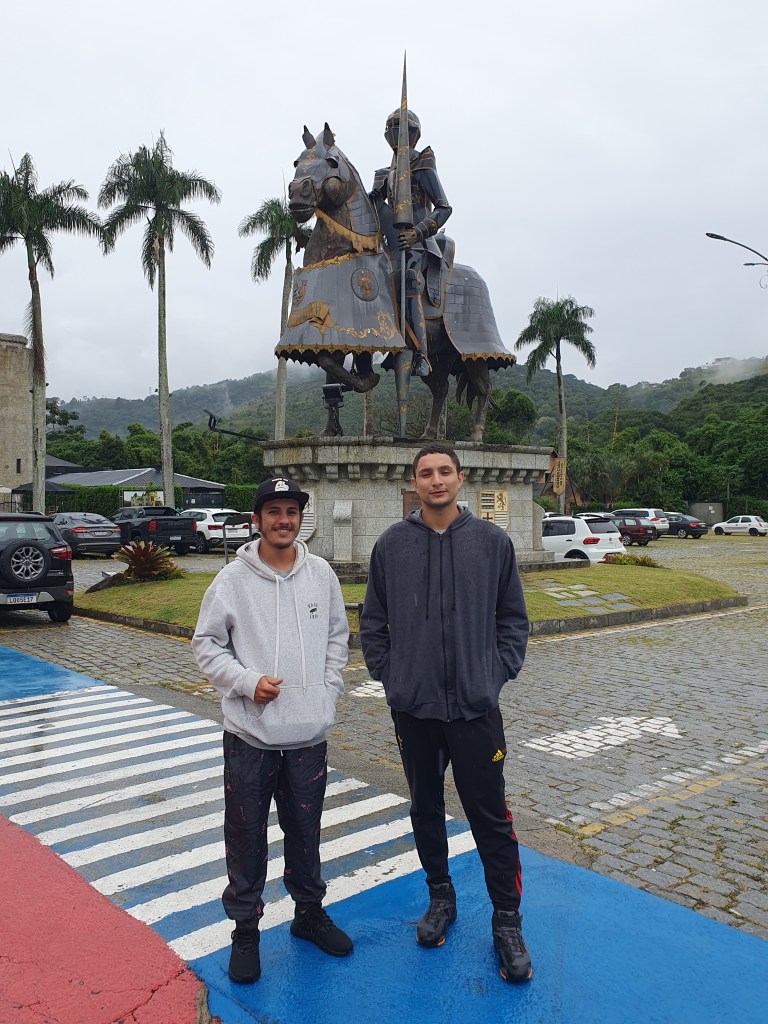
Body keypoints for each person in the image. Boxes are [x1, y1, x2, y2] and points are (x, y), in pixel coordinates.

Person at [359, 443, 532, 983]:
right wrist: (393, 676)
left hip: (476, 709)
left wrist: (495, 673)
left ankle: (507, 922)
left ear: (460, 478)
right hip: (415, 709)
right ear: (414, 483)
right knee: (426, 807)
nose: (436, 480)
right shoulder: (392, 545)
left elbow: (513, 619)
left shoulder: (492, 543)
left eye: (444, 471)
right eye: (425, 473)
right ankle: (440, 897)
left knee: (490, 816)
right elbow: (373, 622)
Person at [192, 476, 352, 984]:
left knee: (306, 831)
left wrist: (326, 692)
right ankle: (246, 930)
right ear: (256, 520)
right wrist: (245, 682)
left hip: (308, 736)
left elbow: (337, 637)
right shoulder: (232, 581)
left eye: (292, 511)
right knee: (245, 835)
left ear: (301, 518)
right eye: (274, 512)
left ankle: (309, 913)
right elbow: (206, 645)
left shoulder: (321, 574)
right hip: (250, 738)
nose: (284, 521)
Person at [370, 107, 452, 378]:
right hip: (390, 245)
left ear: (413, 133)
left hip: (418, 244)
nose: (395, 132)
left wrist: (417, 233)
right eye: (391, 127)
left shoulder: (422, 163)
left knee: (408, 279)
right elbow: (375, 213)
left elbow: (444, 208)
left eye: (400, 127)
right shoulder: (384, 174)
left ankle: (420, 354)